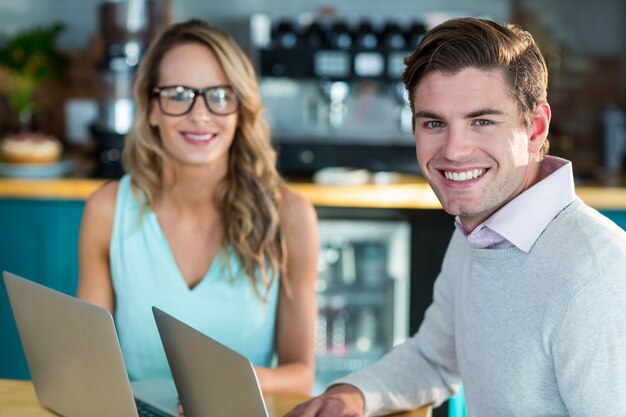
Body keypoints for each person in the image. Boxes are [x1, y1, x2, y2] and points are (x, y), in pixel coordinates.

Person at [285, 17, 626, 417]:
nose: (453, 150)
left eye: (481, 121)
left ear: (534, 128)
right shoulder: (480, 229)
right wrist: (351, 396)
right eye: (434, 123)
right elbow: (434, 357)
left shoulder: (597, 277)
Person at [77, 19, 319, 396]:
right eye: (177, 94)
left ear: (240, 111)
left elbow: (300, 374)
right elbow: (90, 361)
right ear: (151, 109)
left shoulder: (290, 217)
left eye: (219, 96)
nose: (200, 114)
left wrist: (231, 384)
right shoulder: (107, 210)